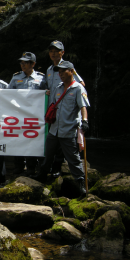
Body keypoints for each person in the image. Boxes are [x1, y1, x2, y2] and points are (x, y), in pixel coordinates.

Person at [32, 61, 89, 196]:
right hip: (54, 128)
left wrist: (85, 121)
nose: (61, 74)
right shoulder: (57, 88)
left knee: (73, 158)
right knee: (48, 154)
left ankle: (80, 183)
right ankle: (42, 175)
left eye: (63, 71)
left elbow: (83, 107)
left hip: (68, 130)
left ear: (71, 71)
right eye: (59, 72)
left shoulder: (78, 89)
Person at [45, 40, 85, 177]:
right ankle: (48, 170)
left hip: (68, 114)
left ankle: (59, 169)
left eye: (56, 51)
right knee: (52, 143)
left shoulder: (68, 67)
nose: (54, 53)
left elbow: (80, 84)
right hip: (54, 113)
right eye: (51, 51)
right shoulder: (49, 70)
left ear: (63, 52)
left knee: (66, 145)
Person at [8, 52, 46, 176]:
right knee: (18, 140)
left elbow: (46, 93)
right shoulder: (15, 77)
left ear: (33, 64)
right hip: (19, 116)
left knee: (32, 140)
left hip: (34, 116)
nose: (22, 65)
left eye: (25, 63)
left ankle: (31, 167)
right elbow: (7, 95)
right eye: (21, 62)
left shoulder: (42, 78)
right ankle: (18, 166)